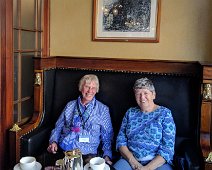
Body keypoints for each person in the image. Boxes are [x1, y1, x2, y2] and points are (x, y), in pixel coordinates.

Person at [47, 74, 113, 165]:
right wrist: (53, 142)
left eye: (93, 87)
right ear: (81, 88)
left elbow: (107, 136)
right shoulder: (70, 105)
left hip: (88, 153)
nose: (90, 90)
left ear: (97, 90)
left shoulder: (103, 110)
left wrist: (107, 156)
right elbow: (58, 126)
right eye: (87, 87)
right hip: (66, 148)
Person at [113, 77, 176, 170]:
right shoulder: (130, 112)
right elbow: (120, 141)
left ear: (153, 95)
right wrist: (133, 162)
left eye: (146, 93)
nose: (142, 97)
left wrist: (147, 168)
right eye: (138, 94)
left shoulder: (165, 113)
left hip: (158, 163)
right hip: (129, 160)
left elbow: (168, 148)